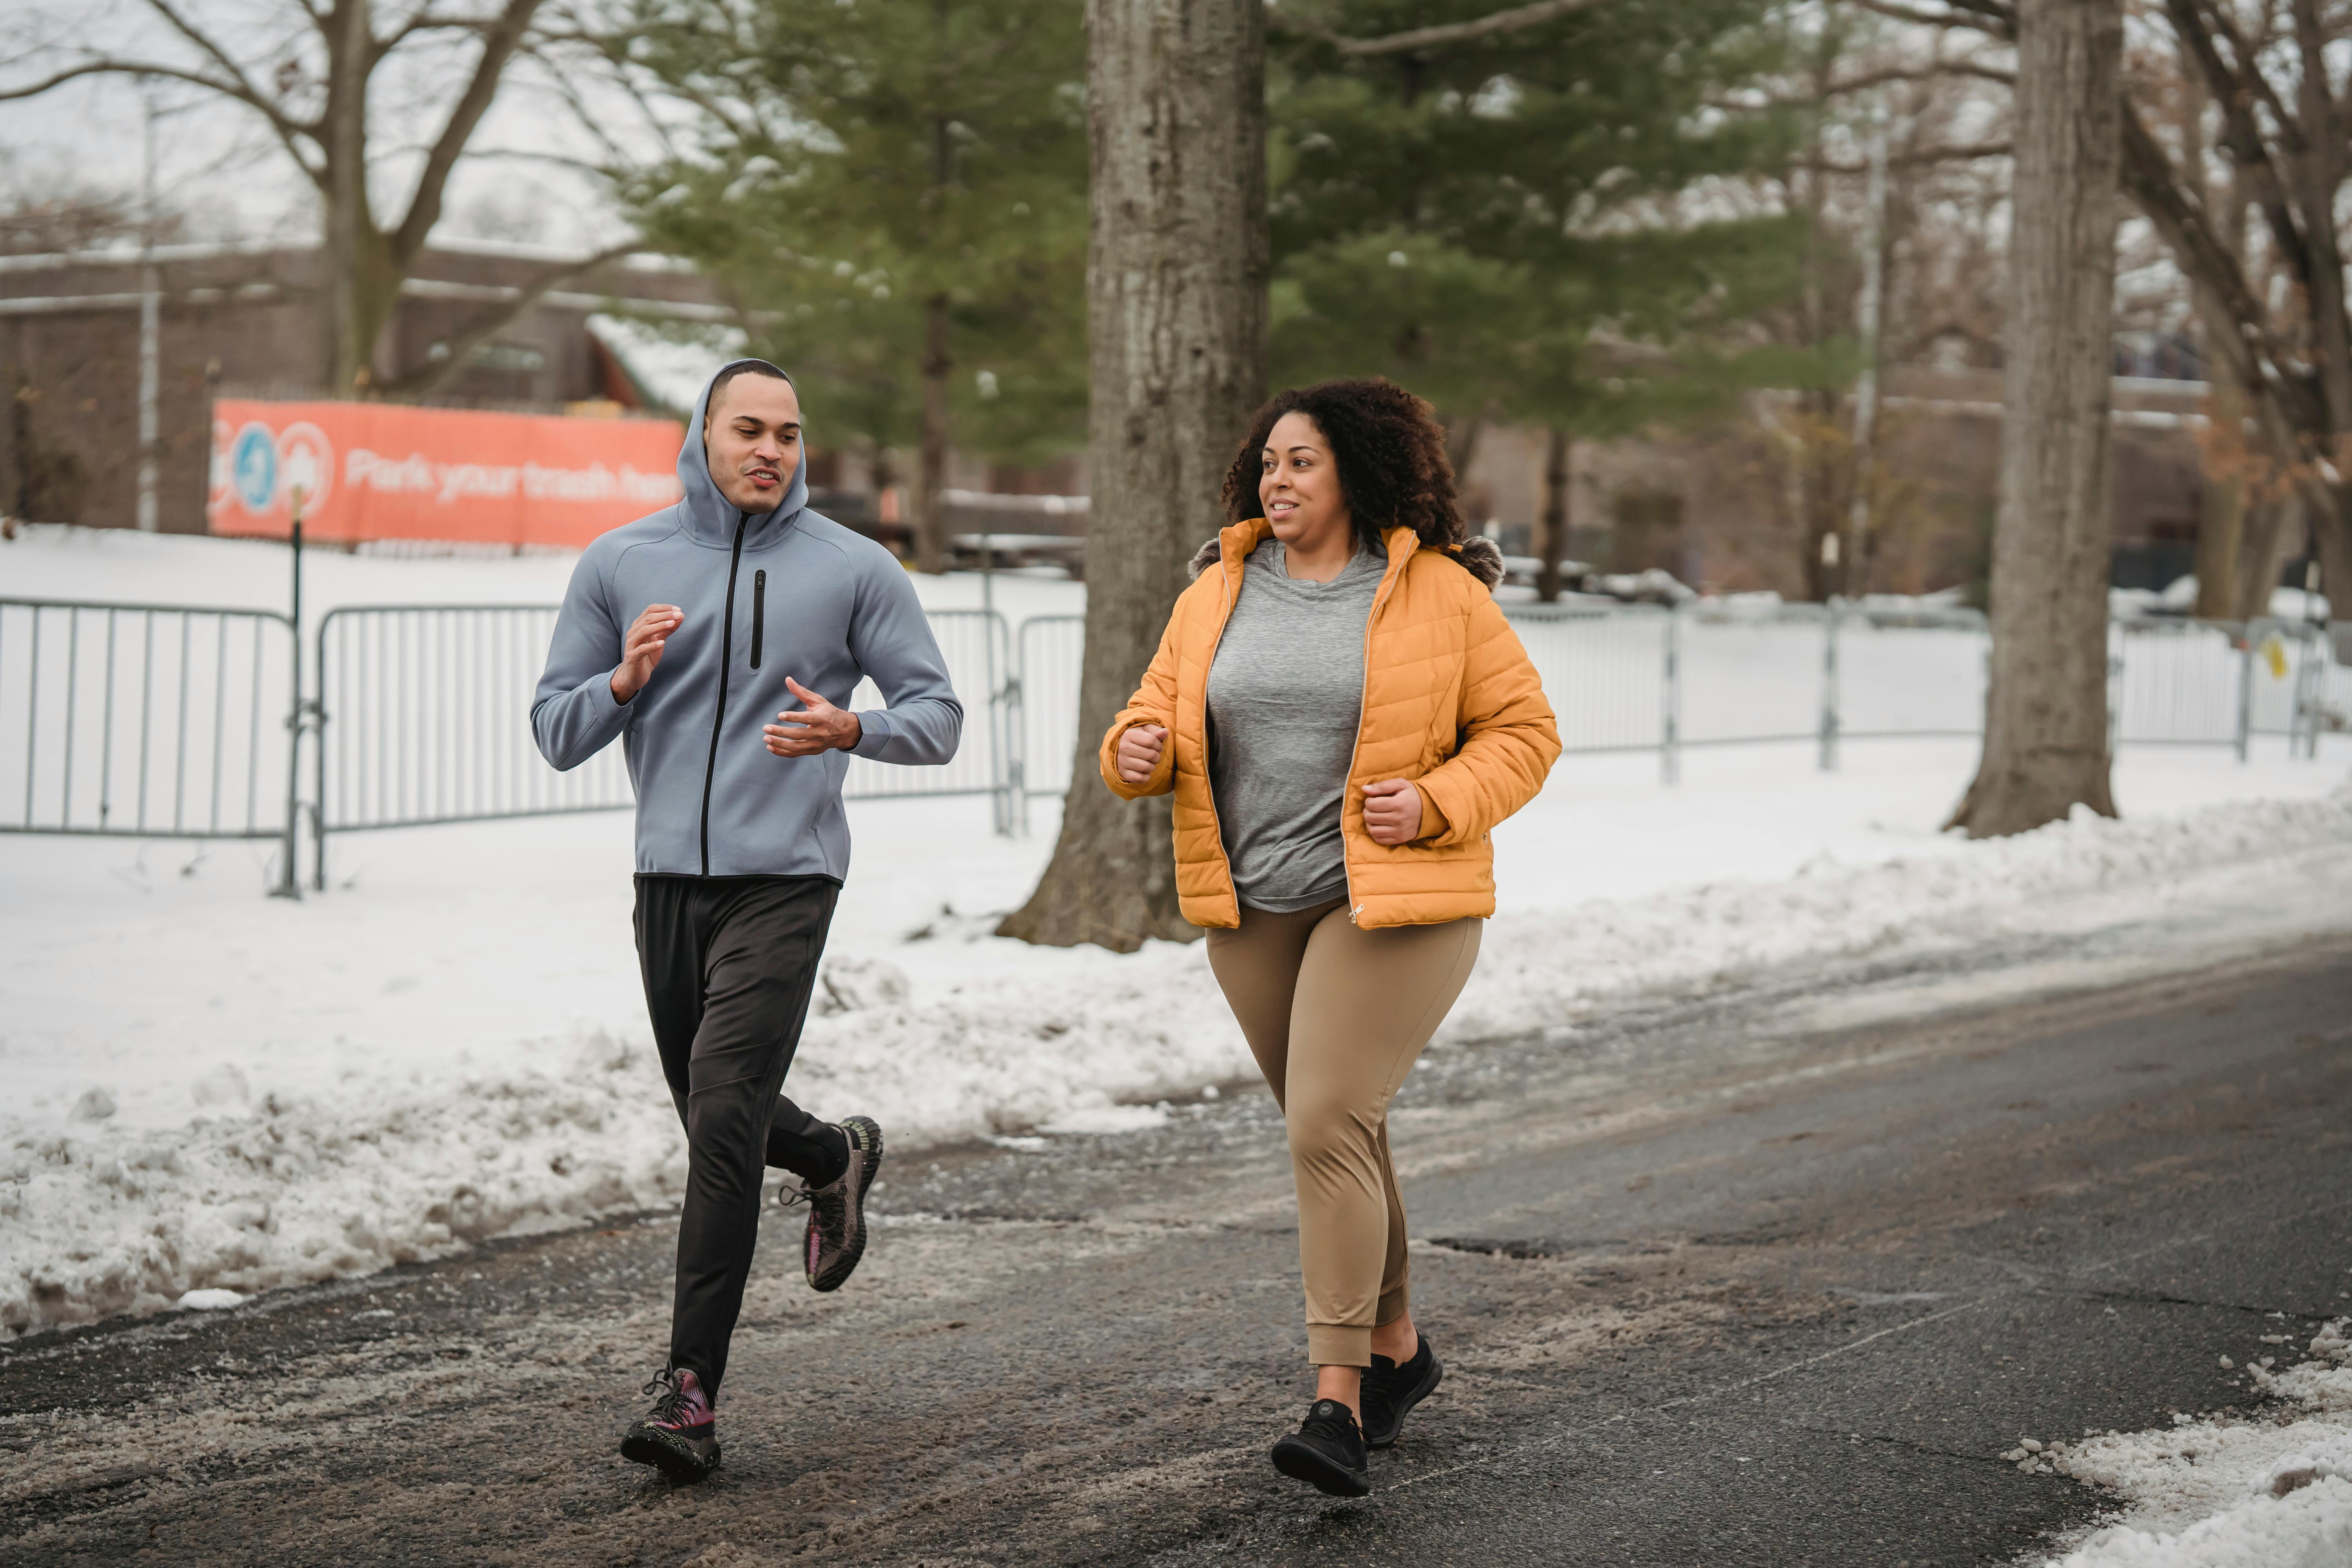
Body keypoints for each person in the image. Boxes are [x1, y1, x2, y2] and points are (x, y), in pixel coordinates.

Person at [1102, 378, 1559, 1497]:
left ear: (1355, 469)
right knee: (1340, 1135)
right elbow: (1153, 712)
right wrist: (1137, 749)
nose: (1278, 478)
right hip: (1254, 907)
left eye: (1301, 461)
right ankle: (1400, 1352)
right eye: (1268, 462)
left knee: (1324, 1122)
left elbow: (1527, 732)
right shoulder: (1217, 591)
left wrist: (1442, 799)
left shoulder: (1441, 594)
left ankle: (1338, 1402)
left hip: (1397, 906)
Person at [532, 359, 962, 1483]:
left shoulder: (853, 569)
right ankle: (833, 1153)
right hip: (667, 880)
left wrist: (852, 732)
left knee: (720, 1121)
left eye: (788, 433)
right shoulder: (622, 563)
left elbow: (940, 715)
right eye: (748, 430)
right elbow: (553, 728)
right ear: (704, 434)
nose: (770, 450)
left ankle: (689, 1396)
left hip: (788, 878)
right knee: (713, 1108)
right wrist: (621, 684)